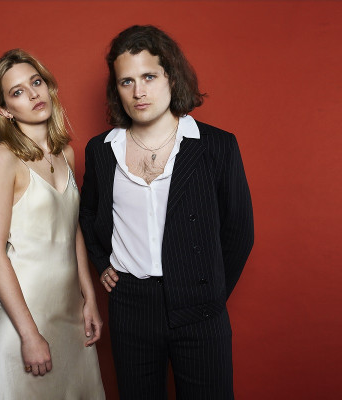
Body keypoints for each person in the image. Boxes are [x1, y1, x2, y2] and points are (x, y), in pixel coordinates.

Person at [79, 25, 254, 399]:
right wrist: (101, 262)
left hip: (200, 307)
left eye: (149, 77)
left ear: (171, 77)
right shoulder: (101, 150)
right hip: (130, 306)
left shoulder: (216, 146)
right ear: (116, 89)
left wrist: (209, 292)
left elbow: (239, 231)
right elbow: (88, 212)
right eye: (126, 81)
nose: (138, 92)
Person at [0, 49, 105, 400]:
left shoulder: (66, 153)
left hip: (70, 315)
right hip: (25, 318)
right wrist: (29, 335)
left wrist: (89, 297)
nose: (34, 94)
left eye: (36, 82)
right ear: (4, 110)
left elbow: (71, 229)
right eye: (18, 92)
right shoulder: (2, 158)